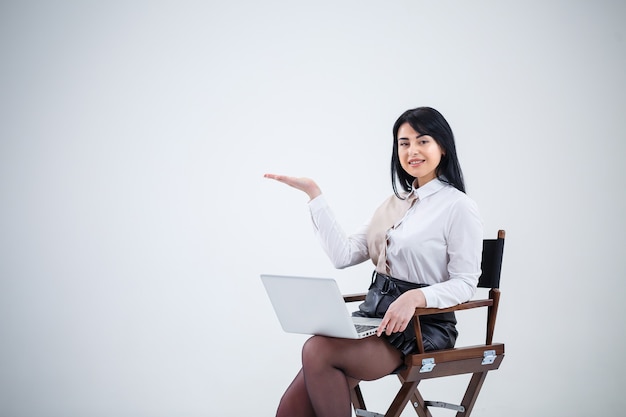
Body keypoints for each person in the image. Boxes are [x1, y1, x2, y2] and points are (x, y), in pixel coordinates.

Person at [264, 106, 483, 417]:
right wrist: (314, 194)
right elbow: (343, 255)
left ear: (442, 147)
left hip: (422, 327)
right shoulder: (394, 205)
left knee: (318, 349)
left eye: (423, 141)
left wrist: (416, 297)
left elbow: (465, 283)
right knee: (291, 411)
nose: (412, 151)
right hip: (377, 320)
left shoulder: (458, 207)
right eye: (404, 143)